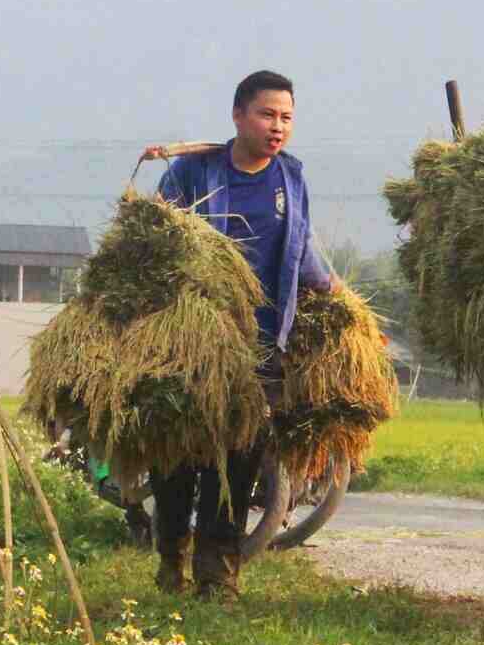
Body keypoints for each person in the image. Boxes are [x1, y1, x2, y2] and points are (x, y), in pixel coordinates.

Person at [139, 69, 337, 599]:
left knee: (239, 458)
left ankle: (219, 574)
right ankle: (171, 558)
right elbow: (152, 242)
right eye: (267, 114)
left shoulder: (291, 178)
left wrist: (333, 292)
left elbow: (301, 246)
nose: (278, 127)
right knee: (180, 456)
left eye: (287, 117)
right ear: (238, 116)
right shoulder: (194, 173)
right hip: (192, 343)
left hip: (262, 343)